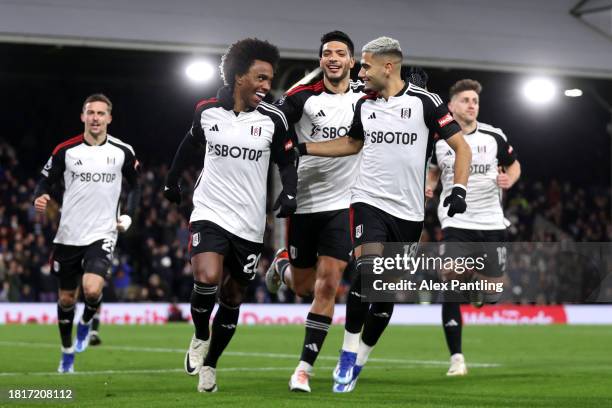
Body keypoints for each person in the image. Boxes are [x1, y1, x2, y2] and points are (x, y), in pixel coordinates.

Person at [293, 36, 472, 392]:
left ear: (388, 67)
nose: (361, 71)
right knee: (365, 271)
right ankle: (346, 353)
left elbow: (461, 147)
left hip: (407, 212)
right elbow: (352, 143)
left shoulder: (426, 103)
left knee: (383, 297)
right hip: (367, 200)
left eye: (366, 65)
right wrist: (304, 147)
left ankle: (361, 356)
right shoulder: (365, 104)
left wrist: (460, 190)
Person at [163, 38, 297, 393]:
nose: (267, 86)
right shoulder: (206, 110)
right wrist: (172, 180)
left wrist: (290, 192)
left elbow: (287, 161)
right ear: (239, 76)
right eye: (261, 78)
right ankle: (199, 334)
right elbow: (189, 143)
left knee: (233, 297)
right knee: (206, 277)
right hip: (209, 208)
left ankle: (210, 363)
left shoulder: (274, 118)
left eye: (270, 79)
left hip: (250, 223)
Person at [263, 30, 364, 393]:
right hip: (305, 203)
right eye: (327, 53)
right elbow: (275, 127)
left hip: (345, 204)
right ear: (320, 61)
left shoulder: (366, 98)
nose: (333, 58)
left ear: (352, 61)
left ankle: (303, 368)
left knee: (328, 285)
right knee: (304, 285)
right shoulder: (302, 96)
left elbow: (361, 142)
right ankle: (282, 266)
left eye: (340, 53)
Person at [33, 93, 140, 373]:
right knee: (67, 298)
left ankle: (87, 322)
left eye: (100, 113)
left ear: (109, 118)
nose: (95, 118)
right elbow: (44, 181)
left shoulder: (123, 152)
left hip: (103, 232)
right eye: (90, 113)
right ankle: (67, 350)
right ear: (82, 116)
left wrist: (128, 214)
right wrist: (40, 197)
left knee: (92, 290)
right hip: (69, 234)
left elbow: (136, 186)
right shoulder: (66, 150)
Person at [426, 79, 521, 376]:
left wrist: (510, 179)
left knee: (492, 290)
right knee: (450, 278)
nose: (471, 105)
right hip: (457, 220)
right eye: (465, 100)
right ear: (451, 106)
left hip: (492, 221)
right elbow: (432, 170)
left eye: (475, 101)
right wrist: (429, 187)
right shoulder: (438, 141)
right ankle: (456, 358)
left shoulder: (494, 136)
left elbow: (515, 164)